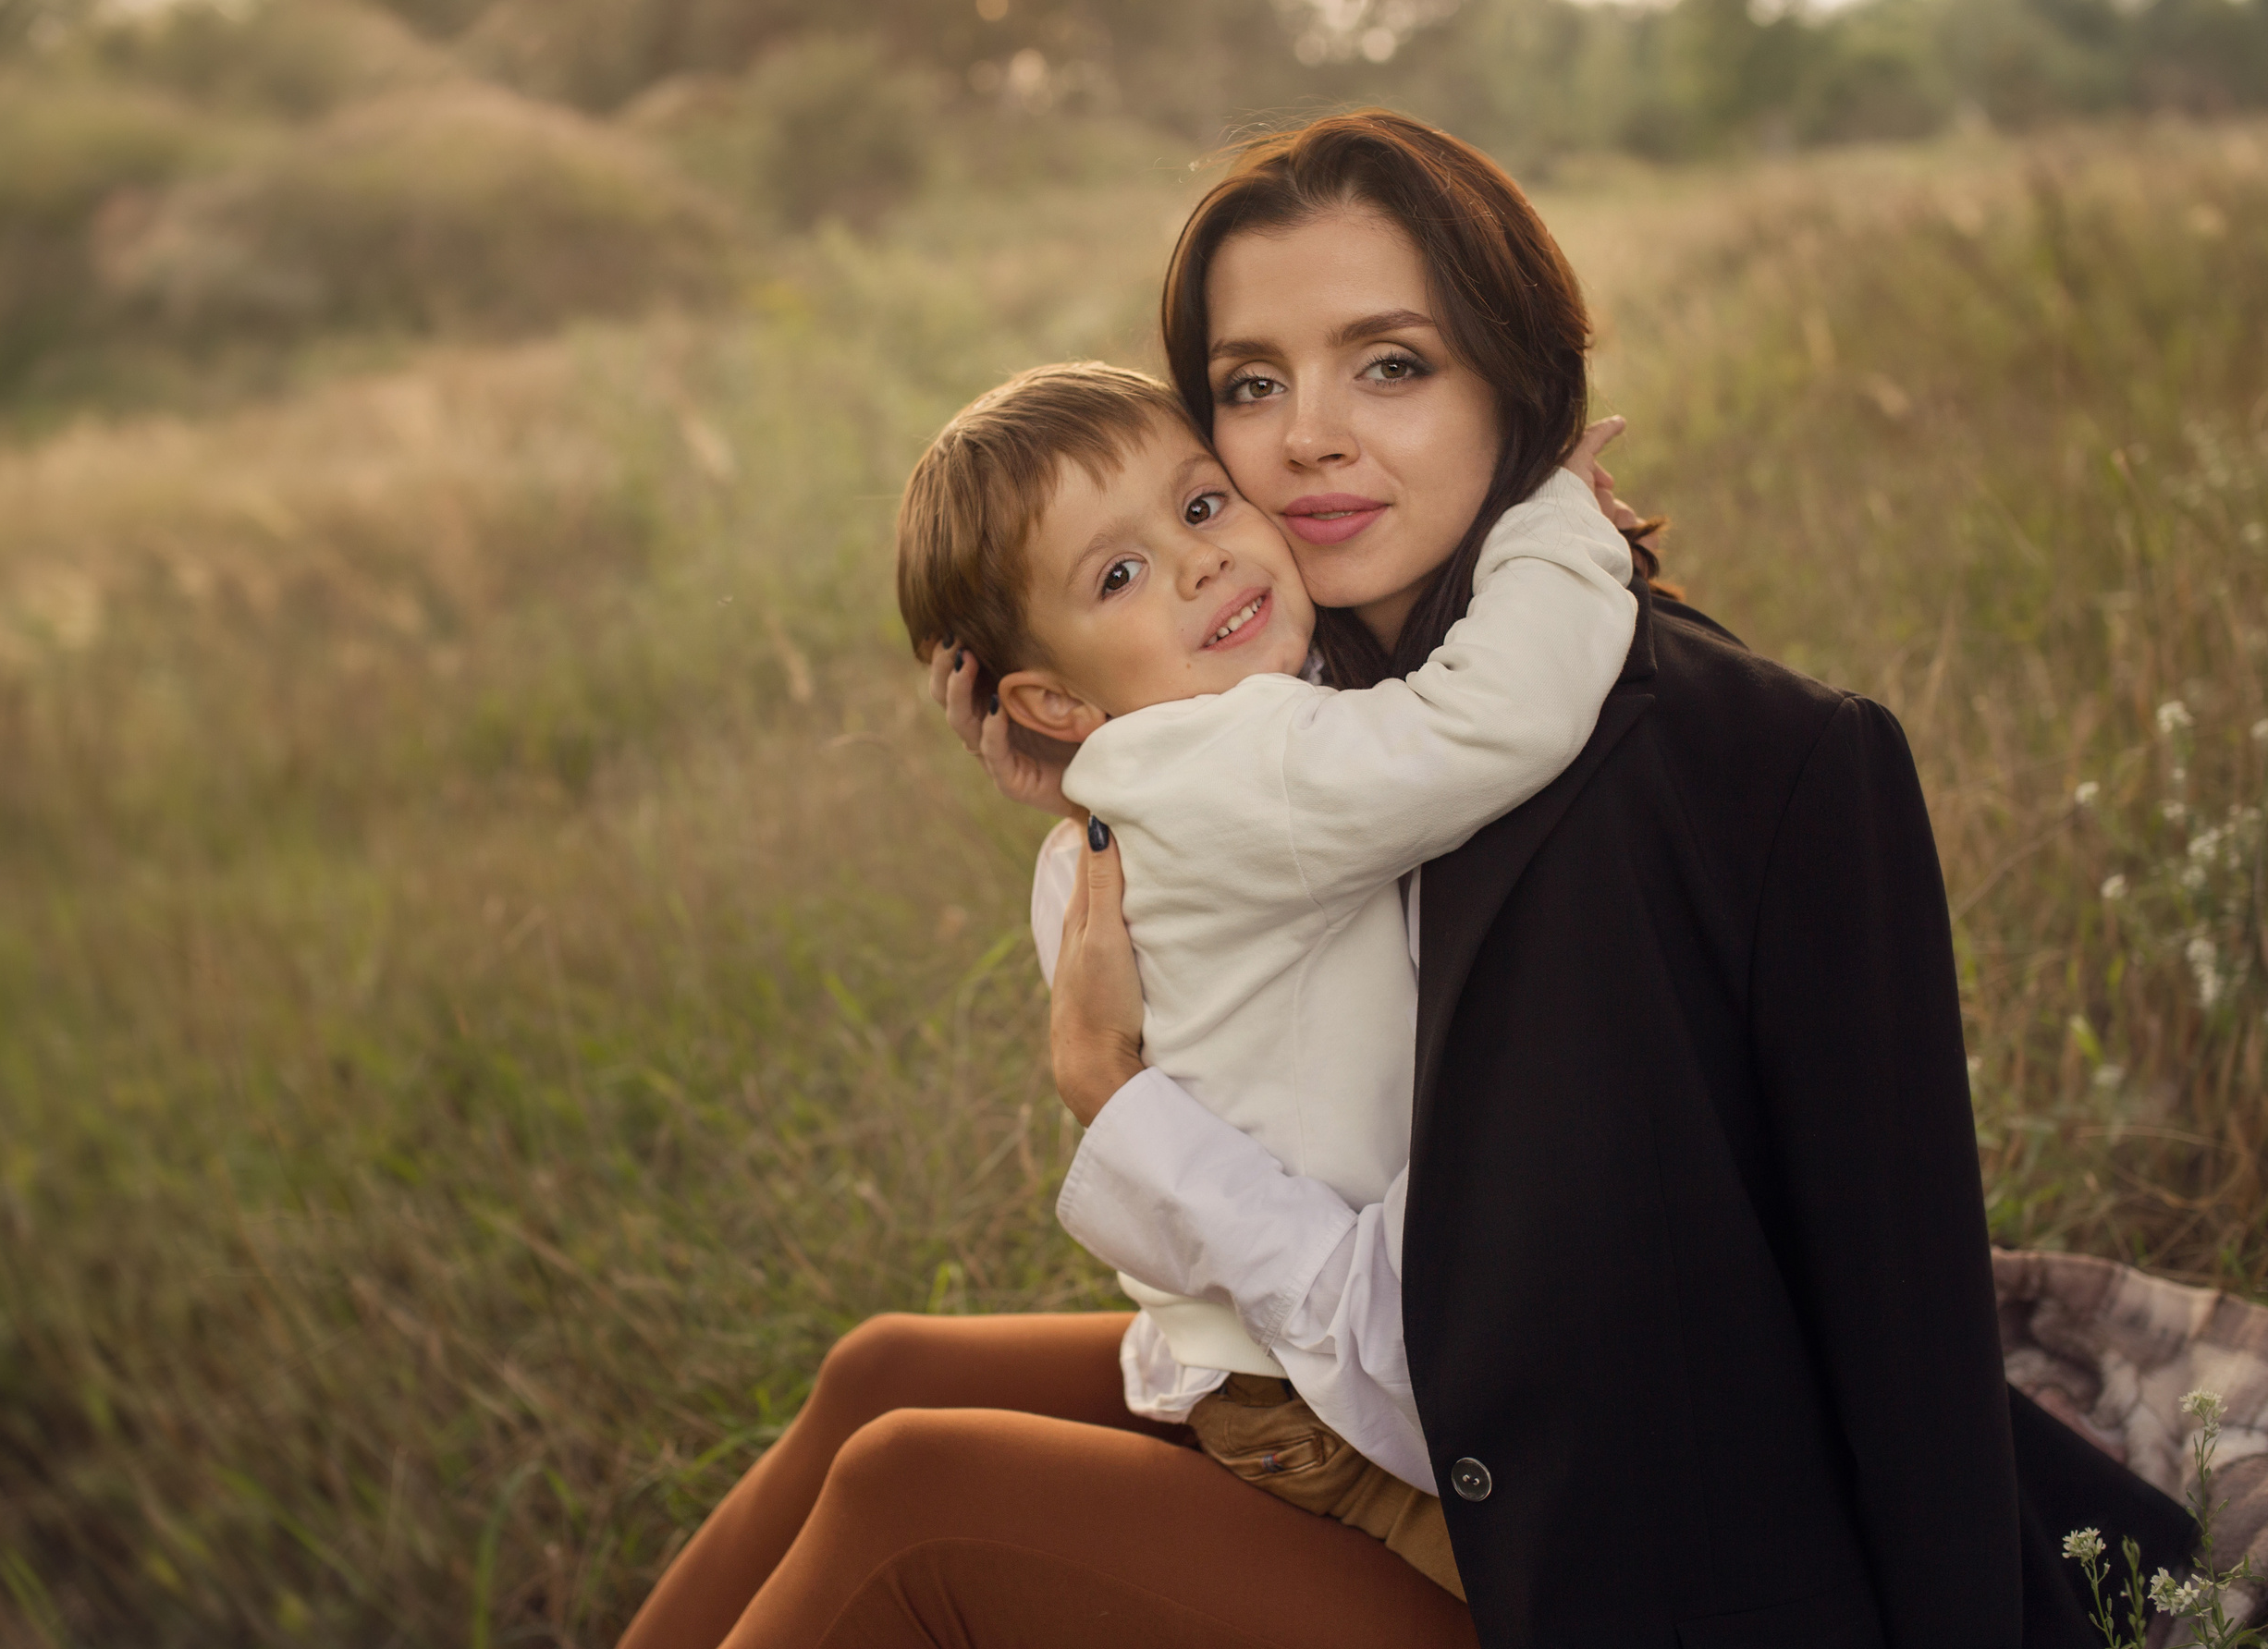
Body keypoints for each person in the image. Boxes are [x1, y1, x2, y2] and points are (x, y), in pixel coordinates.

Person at [618, 110, 2185, 1649]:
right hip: (1383, 1414)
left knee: (918, 1496)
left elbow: (1763, 1331)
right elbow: (1268, 836)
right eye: (1249, 384)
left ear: (1519, 380)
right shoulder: (1349, 687)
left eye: (1391, 364)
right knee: (883, 1374)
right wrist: (1102, 777)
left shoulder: (1684, 785)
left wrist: (1122, 1101)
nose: (1304, 436)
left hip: (1574, 1546)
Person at [894, 358, 1638, 1596]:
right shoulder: (1237, 763)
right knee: (1598, 1593)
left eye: (1198, 507)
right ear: (1050, 694)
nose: (1195, 563)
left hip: (1246, 1361)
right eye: (1118, 575)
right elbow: (1492, 722)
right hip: (1342, 1409)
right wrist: (1548, 518)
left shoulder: (1127, 807)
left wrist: (1082, 733)